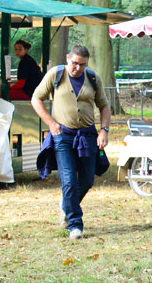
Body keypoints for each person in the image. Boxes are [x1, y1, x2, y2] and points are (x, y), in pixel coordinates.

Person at [30, 46, 110, 240]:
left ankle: (67, 204)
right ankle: (75, 225)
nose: (77, 68)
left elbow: (104, 106)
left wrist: (104, 130)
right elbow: (36, 99)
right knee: (69, 181)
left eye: (82, 65)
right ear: (68, 58)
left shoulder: (93, 78)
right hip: (63, 136)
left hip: (88, 136)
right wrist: (51, 123)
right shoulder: (56, 74)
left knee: (87, 180)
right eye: (74, 63)